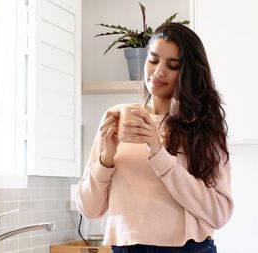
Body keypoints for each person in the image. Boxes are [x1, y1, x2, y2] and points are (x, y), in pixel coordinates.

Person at [76, 22, 233, 253]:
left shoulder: (203, 126)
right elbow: (89, 209)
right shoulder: (116, 118)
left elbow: (219, 213)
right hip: (125, 248)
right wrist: (106, 159)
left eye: (172, 65)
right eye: (153, 60)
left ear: (188, 72)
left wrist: (159, 154)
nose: (158, 71)